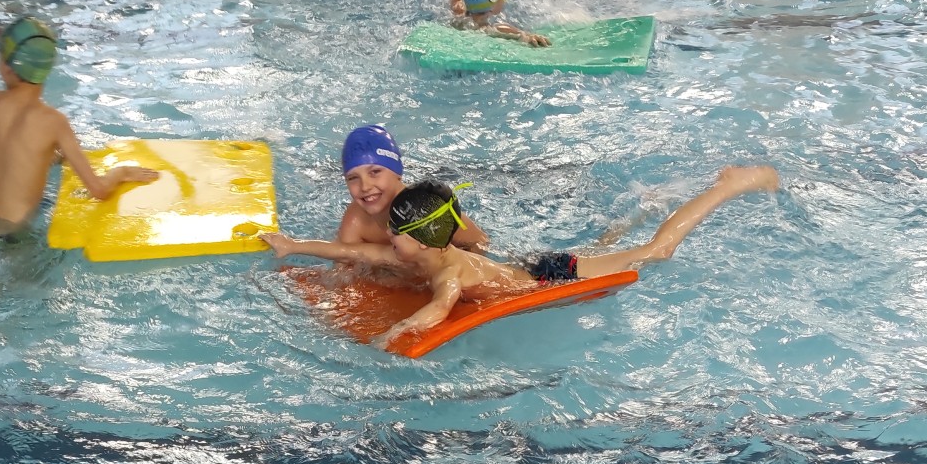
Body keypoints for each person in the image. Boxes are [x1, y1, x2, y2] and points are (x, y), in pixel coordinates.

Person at [264, 168, 779, 350]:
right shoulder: (423, 254)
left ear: (417, 241)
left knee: (657, 252)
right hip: (528, 265)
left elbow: (438, 311)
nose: (387, 239)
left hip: (548, 277)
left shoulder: (449, 272)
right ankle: (641, 210)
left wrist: (391, 335)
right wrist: (292, 245)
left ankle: (732, 185)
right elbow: (352, 250)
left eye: (395, 234)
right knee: (602, 247)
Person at [0, 16, 158, 237]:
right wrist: (121, 172)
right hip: (15, 235)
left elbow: (14, 152)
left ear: (7, 68)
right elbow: (99, 190)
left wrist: (51, 156)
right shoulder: (54, 122)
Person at [336, 122, 489, 253]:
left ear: (398, 172)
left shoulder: (426, 207)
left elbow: (480, 243)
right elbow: (344, 270)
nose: (365, 186)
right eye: (353, 178)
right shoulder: (355, 220)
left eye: (375, 172)